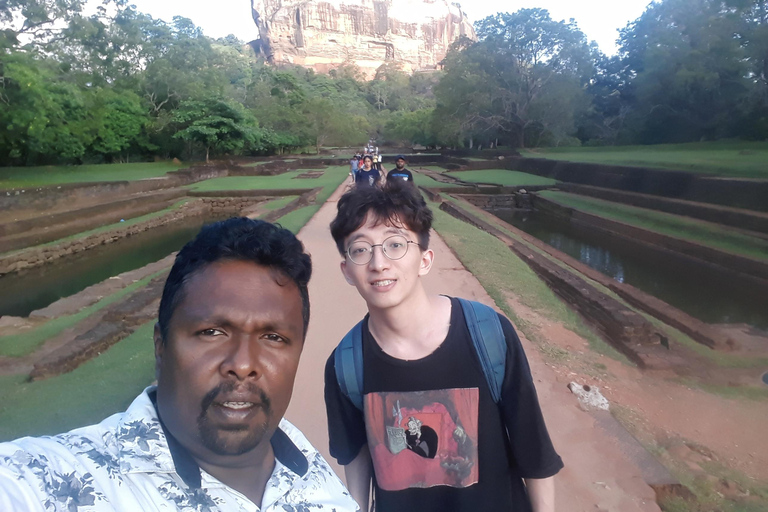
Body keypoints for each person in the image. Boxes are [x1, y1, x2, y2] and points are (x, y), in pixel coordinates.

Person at [0, 218, 359, 512]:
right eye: (213, 331)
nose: (243, 364)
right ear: (161, 347)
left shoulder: (300, 456)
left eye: (273, 338)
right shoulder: (55, 479)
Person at [324, 182, 562, 512]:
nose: (379, 263)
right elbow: (357, 458)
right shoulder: (346, 365)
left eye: (395, 244)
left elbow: (533, 450)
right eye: (361, 249)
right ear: (347, 271)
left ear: (425, 259)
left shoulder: (488, 334)